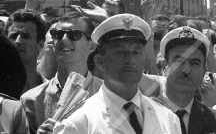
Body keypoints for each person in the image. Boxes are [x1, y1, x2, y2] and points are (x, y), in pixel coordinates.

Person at [51, 14, 182, 134]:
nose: (130, 59)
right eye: (120, 52)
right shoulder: (79, 122)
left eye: (136, 52)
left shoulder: (168, 118)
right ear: (100, 61)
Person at [21, 12, 103, 134]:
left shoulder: (105, 94)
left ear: (91, 46)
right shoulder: (32, 99)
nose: (64, 39)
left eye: (74, 35)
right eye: (57, 34)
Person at [156, 26, 216, 134]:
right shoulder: (145, 113)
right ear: (164, 66)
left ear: (204, 71)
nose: (186, 70)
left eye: (195, 63)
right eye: (179, 61)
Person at [6, 9, 48, 94]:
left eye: (25, 36)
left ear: (40, 45)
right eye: (13, 36)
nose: (18, 41)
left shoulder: (52, 92)